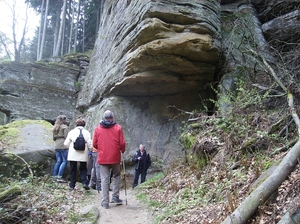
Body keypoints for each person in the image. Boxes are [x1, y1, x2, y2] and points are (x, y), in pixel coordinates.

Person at [93, 110, 126, 209]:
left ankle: (105, 202)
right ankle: (115, 196)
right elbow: (122, 143)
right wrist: (122, 151)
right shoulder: (118, 128)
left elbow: (94, 143)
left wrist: (102, 149)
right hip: (115, 156)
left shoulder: (98, 129)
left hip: (103, 157)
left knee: (104, 178)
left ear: (104, 118)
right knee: (116, 175)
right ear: (112, 118)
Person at [64, 118, 92, 191]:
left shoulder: (72, 132)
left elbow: (66, 144)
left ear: (76, 124)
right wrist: (90, 149)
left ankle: (72, 185)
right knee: (83, 168)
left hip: (73, 153)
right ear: (84, 125)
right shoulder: (86, 132)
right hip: (83, 153)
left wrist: (69, 146)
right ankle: (84, 183)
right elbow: (89, 144)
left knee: (73, 169)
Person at [52, 115, 69, 182]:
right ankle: (59, 176)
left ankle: (54, 176)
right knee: (64, 161)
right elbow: (66, 137)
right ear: (63, 120)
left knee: (58, 161)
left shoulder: (55, 127)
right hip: (63, 145)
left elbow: (53, 138)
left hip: (56, 145)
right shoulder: (65, 127)